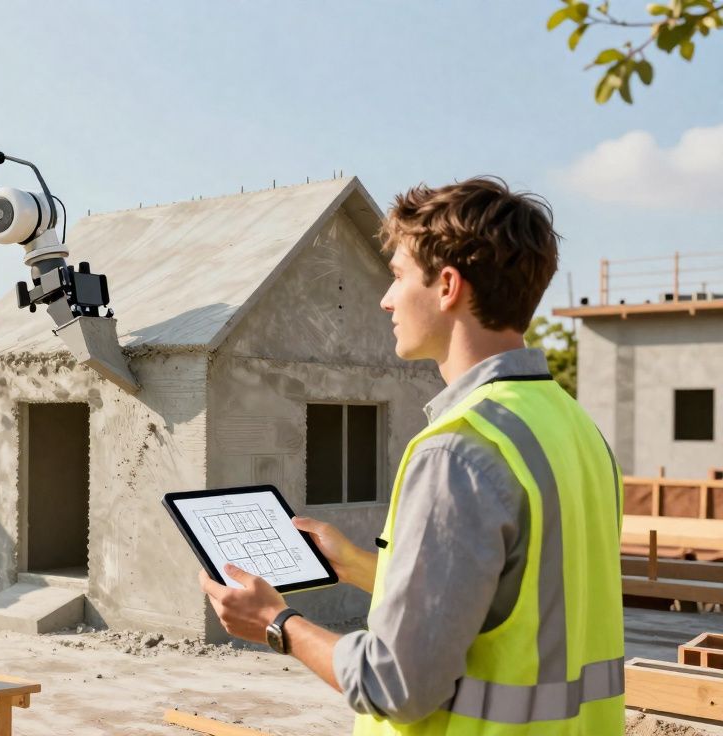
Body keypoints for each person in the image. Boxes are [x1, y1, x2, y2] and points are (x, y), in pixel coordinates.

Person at [201, 177, 624, 734]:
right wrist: (354, 565)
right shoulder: (573, 427)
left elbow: (396, 685)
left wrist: (277, 623)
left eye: (398, 276)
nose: (385, 298)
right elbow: (499, 604)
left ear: (448, 286)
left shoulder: (460, 449)